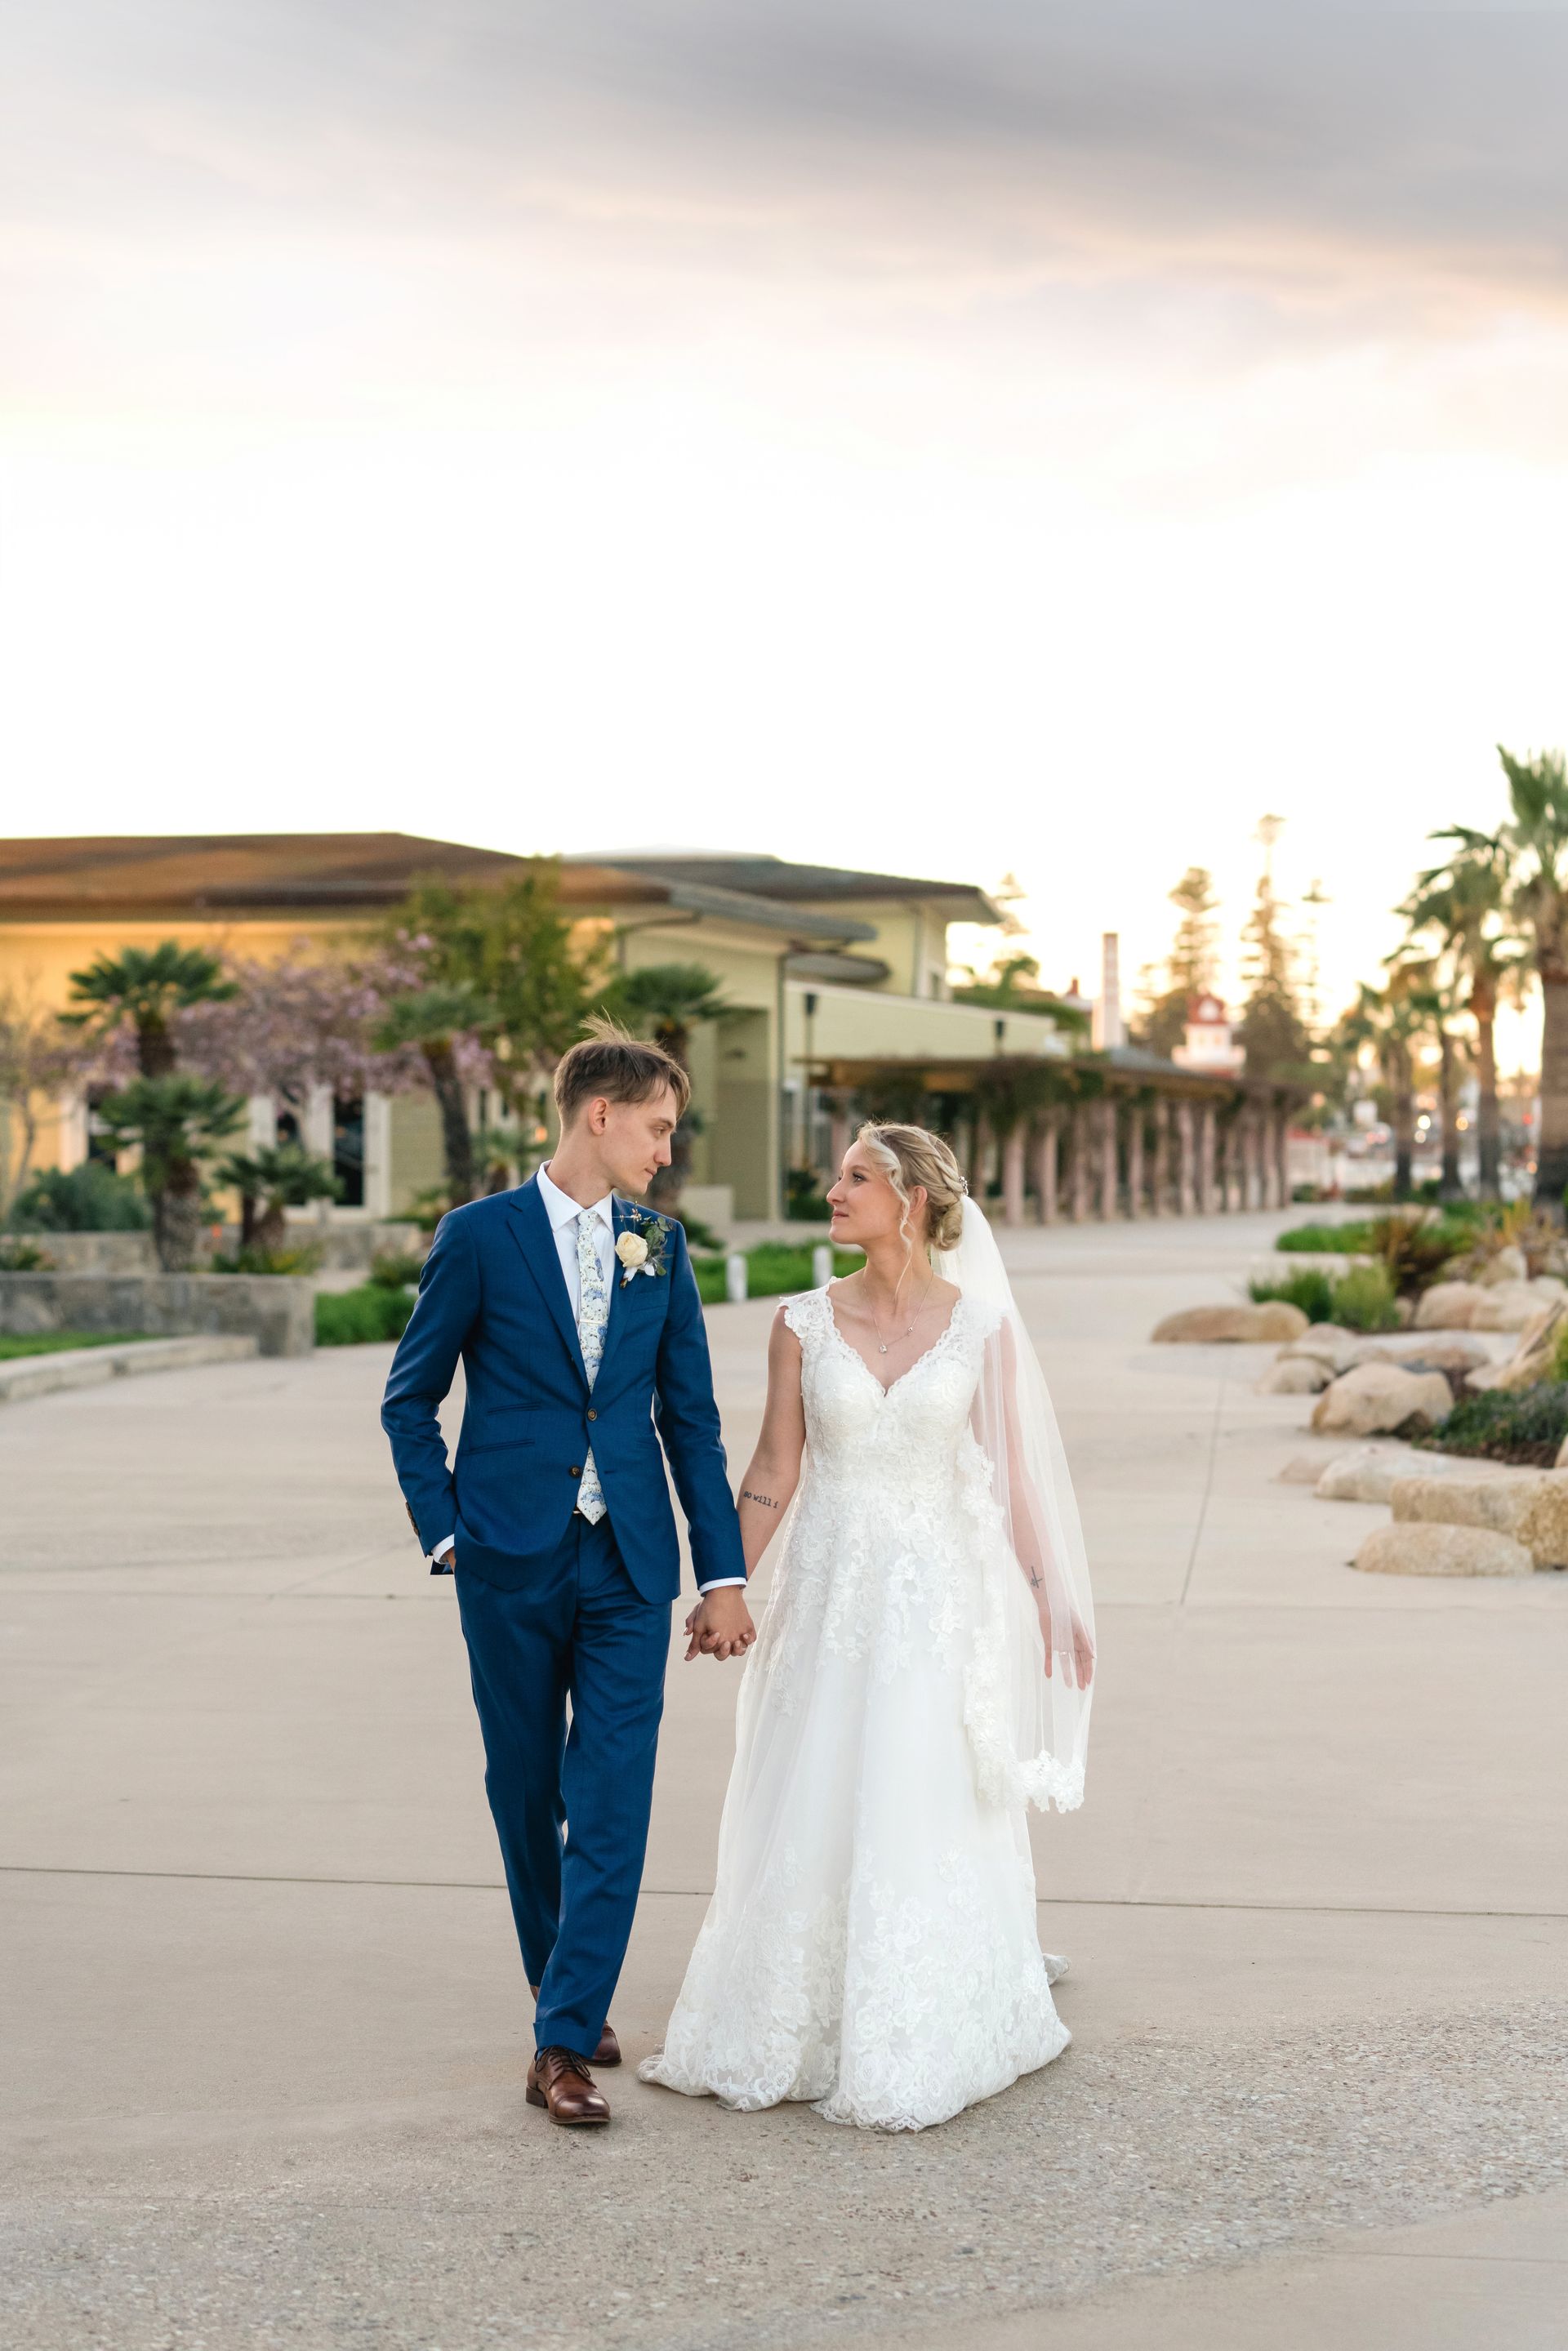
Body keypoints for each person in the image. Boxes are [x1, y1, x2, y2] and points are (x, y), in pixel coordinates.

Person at [640, 1121, 1095, 2131]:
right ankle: (793, 2008)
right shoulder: (802, 1321)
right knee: (815, 1784)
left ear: (915, 1200)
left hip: (935, 1604)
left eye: (857, 1177)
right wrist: (724, 1584)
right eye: (838, 1175)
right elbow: (771, 1468)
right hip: (832, 1597)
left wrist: (1050, 1592)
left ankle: (917, 2008)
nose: (834, 1189)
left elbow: (1012, 1478)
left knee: (916, 1790)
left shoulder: (982, 1328)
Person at [381, 1021, 754, 2129]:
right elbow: (411, 1396)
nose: (665, 1151)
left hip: (629, 1558)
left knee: (613, 1795)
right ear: (602, 1113)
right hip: (507, 1551)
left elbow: (690, 1420)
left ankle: (559, 2041)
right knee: (527, 1785)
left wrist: (719, 1573)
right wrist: (446, 1530)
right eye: (657, 1127)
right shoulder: (480, 1235)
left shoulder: (662, 1244)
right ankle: (570, 1983)